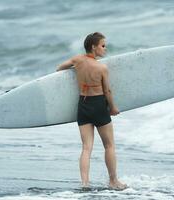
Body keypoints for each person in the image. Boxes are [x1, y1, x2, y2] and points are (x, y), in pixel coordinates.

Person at [56, 32, 127, 190]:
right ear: (94, 47)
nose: (105, 48)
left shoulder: (77, 60)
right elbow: (107, 91)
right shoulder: (101, 67)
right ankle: (113, 181)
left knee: (86, 147)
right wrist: (113, 108)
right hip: (99, 106)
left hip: (83, 106)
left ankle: (85, 183)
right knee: (109, 145)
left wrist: (75, 69)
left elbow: (60, 68)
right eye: (102, 45)